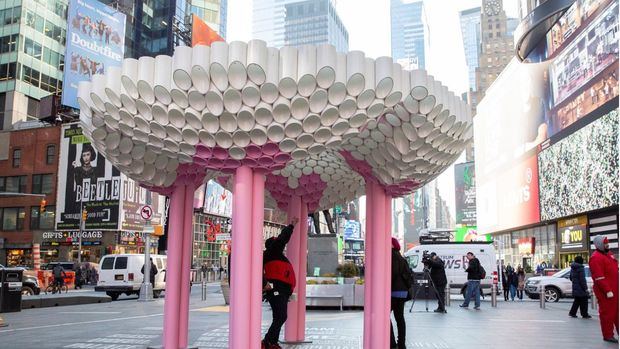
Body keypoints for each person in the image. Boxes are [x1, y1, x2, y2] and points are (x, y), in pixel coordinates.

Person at [262, 217, 299, 349]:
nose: (281, 245)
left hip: (279, 290)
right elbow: (282, 238)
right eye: (277, 242)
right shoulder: (273, 252)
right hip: (276, 291)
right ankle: (267, 341)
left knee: (279, 316)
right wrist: (292, 225)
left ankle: (272, 342)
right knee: (281, 316)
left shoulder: (272, 255)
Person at [589, 236, 619, 343]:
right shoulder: (595, 258)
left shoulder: (609, 254)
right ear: (600, 245)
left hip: (615, 288)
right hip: (606, 292)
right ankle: (608, 335)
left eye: (608, 243)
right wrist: (607, 290)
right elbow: (599, 277)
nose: (607, 245)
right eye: (605, 244)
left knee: (617, 312)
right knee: (607, 314)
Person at [390, 237, 412, 349]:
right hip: (402, 292)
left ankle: (392, 343)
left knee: (384, 316)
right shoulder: (402, 258)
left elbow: (392, 274)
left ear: (392, 245)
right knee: (400, 318)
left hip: (393, 291)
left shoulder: (391, 256)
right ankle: (401, 344)